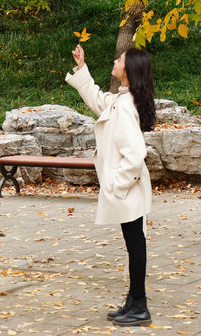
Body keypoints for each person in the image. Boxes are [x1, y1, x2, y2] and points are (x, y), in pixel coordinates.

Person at [66, 42, 156, 327]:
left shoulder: (126, 108)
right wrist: (82, 69)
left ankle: (139, 305)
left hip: (127, 191)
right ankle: (133, 300)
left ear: (129, 70)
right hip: (126, 191)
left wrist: (115, 184)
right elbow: (97, 100)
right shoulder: (122, 100)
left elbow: (135, 154)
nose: (116, 60)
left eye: (121, 59)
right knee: (134, 244)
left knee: (136, 244)